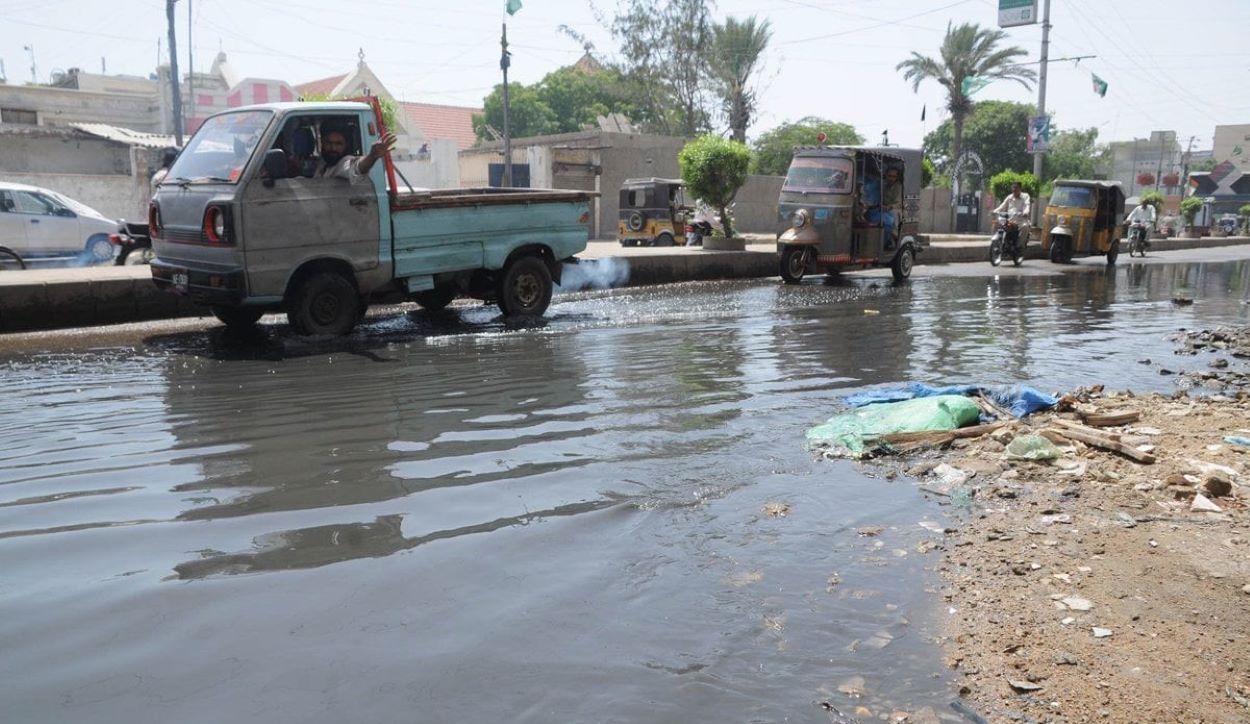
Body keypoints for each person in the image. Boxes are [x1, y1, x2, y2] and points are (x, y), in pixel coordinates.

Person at [316, 123, 397, 180]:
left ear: (345, 145)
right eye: (329, 143)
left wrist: (372, 157)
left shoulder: (343, 163)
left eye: (338, 144)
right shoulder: (323, 163)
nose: (333, 148)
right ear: (322, 143)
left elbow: (357, 167)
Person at [993, 181, 1032, 246]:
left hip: (1021, 220)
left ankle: (1019, 246)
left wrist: (1026, 212)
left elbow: (1027, 205)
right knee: (997, 224)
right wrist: (994, 211)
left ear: (1020, 189)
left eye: (1016, 188)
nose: (1014, 190)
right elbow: (1002, 206)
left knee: (1025, 227)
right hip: (1010, 220)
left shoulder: (1025, 196)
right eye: (1013, 188)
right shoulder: (1009, 197)